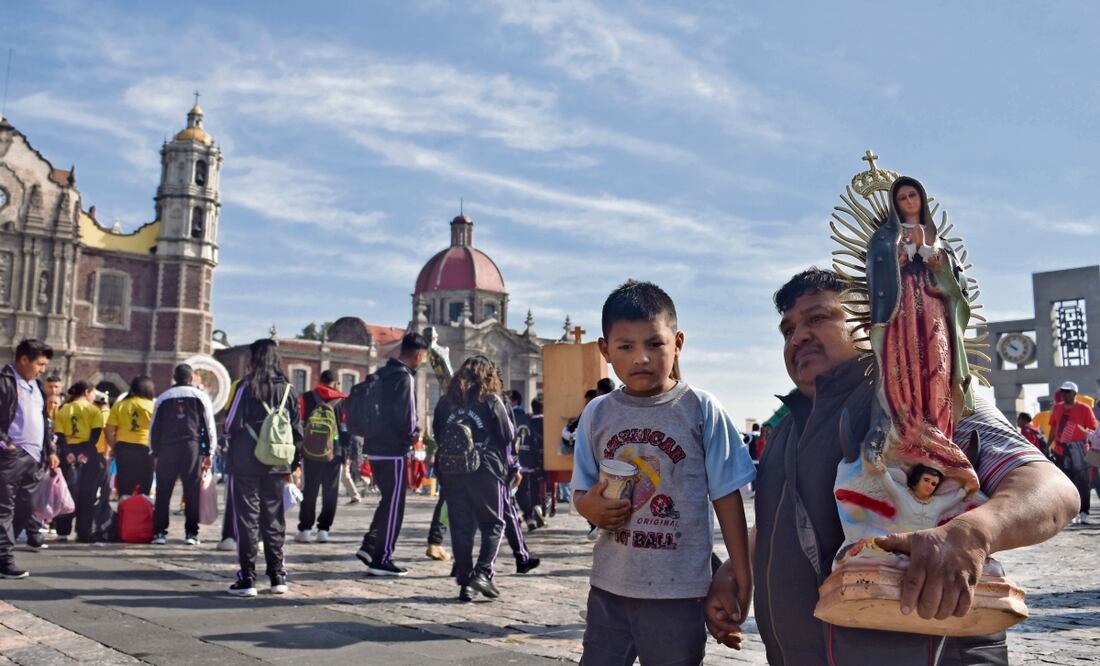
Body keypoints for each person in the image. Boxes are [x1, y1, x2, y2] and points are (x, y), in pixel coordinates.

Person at [705, 268, 1078, 666]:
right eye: (788, 329)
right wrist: (736, 567)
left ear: (869, 325)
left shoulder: (923, 396)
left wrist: (974, 532)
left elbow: (1053, 489)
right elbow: (796, 523)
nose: (798, 337)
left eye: (818, 318)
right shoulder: (785, 426)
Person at [572, 280, 755, 664]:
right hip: (609, 589)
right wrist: (589, 508)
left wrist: (742, 576)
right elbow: (582, 490)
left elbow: (727, 498)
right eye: (626, 346)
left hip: (679, 595)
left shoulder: (700, 410)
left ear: (678, 343)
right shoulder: (597, 414)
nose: (641, 358)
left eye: (655, 344)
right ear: (606, 351)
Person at [432, 355, 518, 601]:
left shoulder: (446, 402)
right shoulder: (491, 399)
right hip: (485, 469)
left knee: (461, 528)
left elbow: (439, 433)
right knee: (494, 524)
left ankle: (465, 582)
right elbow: (508, 434)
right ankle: (481, 574)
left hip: (452, 470)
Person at [223, 339, 302, 596]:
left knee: (247, 519)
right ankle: (278, 575)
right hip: (278, 462)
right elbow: (297, 431)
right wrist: (294, 463)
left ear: (254, 359)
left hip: (246, 461)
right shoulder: (289, 390)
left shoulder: (246, 387)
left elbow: (230, 423)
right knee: (274, 518)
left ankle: (247, 577)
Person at [355, 332, 429, 577]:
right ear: (418, 355)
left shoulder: (383, 373)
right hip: (393, 451)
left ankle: (370, 546)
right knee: (394, 504)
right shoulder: (404, 378)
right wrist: (414, 434)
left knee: (387, 501)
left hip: (374, 447)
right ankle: (382, 557)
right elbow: (407, 417)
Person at [1, 339, 59, 577]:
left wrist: (51, 451)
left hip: (34, 459)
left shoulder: (36, 386)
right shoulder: (5, 382)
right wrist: (7, 443)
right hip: (10, 456)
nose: (42, 369)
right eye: (40, 363)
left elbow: (44, 424)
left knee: (27, 506)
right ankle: (4, 560)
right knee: (4, 508)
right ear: (24, 360)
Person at [149, 364, 216, 545]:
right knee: (192, 491)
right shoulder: (201, 396)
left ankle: (160, 533)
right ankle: (191, 534)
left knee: (163, 491)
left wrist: (153, 451)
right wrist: (209, 452)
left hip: (167, 449)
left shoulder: (163, 397)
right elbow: (209, 426)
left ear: (174, 376)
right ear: (191, 378)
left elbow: (154, 427)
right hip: (191, 448)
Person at [296, 369, 348, 543]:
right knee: (330, 492)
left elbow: (300, 423)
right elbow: (345, 428)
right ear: (335, 383)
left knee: (309, 489)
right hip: (335, 451)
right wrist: (345, 453)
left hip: (311, 451)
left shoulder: (307, 397)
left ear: (320, 380)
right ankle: (323, 530)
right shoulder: (342, 400)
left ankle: (304, 529)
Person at [53, 381, 106, 543]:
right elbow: (95, 434)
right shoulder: (93, 410)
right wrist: (86, 453)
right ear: (87, 392)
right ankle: (83, 532)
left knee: (66, 492)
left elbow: (59, 435)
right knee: (88, 494)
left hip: (67, 453)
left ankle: (62, 531)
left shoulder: (63, 409)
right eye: (92, 393)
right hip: (89, 454)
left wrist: (68, 453)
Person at [1048, 381, 1097, 525]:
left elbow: (1093, 428)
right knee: (1064, 482)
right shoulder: (1057, 408)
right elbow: (1053, 428)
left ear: (1075, 393)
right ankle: (1070, 513)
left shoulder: (1084, 409)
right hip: (1061, 449)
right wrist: (1048, 445)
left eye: (1068, 392)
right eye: (1063, 391)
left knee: (1083, 482)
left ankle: (1084, 512)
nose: (1064, 394)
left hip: (1079, 448)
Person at [106, 376, 156, 497]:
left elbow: (108, 429)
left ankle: (124, 511)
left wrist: (114, 447)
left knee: (124, 486)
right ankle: (142, 512)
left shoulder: (120, 405)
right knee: (145, 486)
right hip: (145, 449)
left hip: (123, 448)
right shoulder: (153, 406)